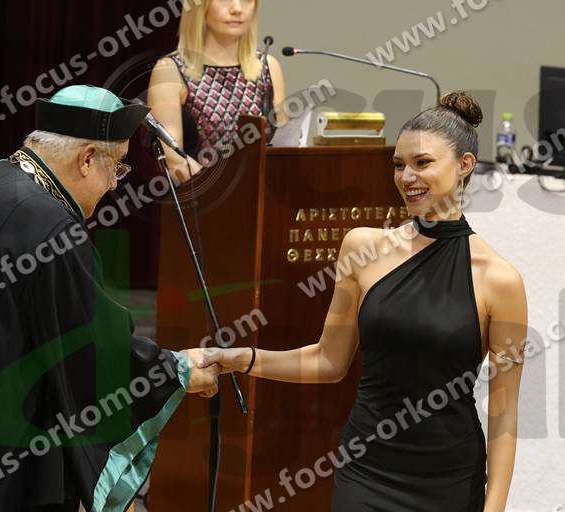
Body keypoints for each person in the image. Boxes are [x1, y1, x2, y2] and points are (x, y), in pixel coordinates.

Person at [197, 92, 529, 511]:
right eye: (399, 165)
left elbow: (504, 414)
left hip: (450, 480)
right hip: (366, 470)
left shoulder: (501, 281)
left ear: (464, 165)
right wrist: (241, 359)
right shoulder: (362, 247)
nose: (406, 177)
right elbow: (328, 360)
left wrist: (494, 507)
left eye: (422, 163)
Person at [0, 85, 220, 512]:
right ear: (88, 158)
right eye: (117, 167)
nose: (114, 184)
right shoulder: (52, 227)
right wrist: (176, 371)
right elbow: (91, 350)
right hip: (16, 446)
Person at [147, 0, 288, 182]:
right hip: (204, 195)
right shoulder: (169, 70)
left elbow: (286, 147)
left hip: (268, 193)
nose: (237, 9)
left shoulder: (269, 67)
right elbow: (174, 161)